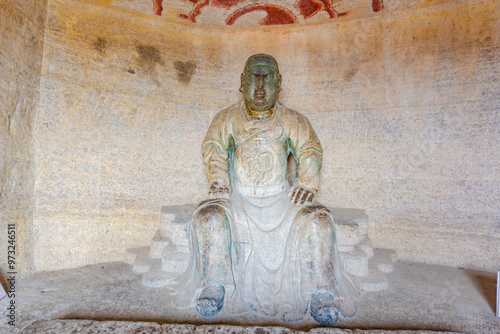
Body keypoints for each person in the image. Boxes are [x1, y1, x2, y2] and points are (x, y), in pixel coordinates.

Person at [175, 54, 358, 325]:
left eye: (267, 78)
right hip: (239, 198)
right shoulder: (226, 118)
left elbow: (309, 148)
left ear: (279, 83)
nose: (260, 87)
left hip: (280, 198)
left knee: (318, 222)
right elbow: (214, 149)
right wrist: (220, 180)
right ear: (242, 82)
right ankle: (216, 284)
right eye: (254, 78)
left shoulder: (292, 119)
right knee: (209, 217)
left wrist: (306, 183)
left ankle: (319, 291)